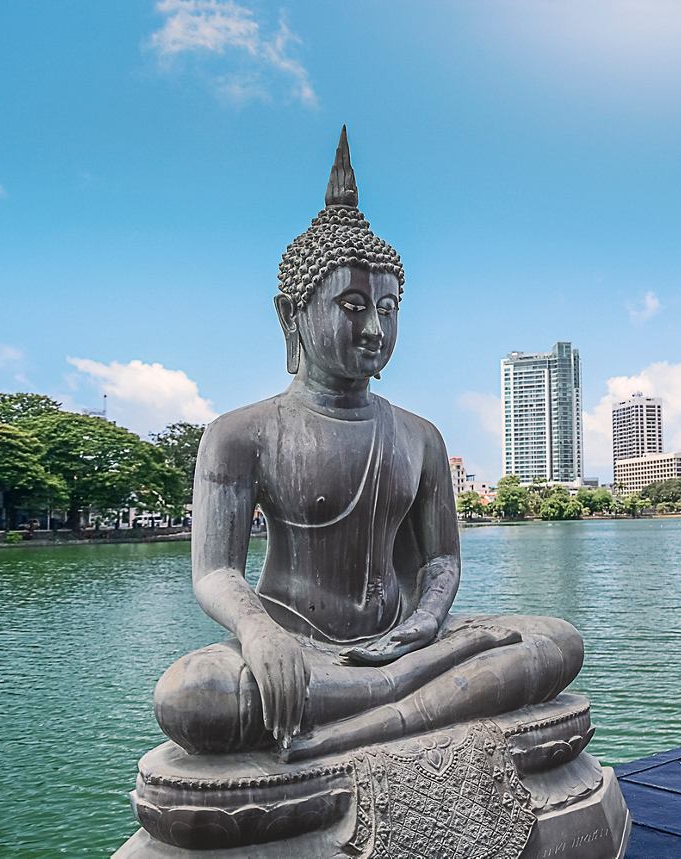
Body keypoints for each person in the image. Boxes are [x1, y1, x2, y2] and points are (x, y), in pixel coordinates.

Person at [154, 128, 583, 763]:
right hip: (295, 647)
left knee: (558, 642)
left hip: (406, 644)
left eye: (389, 307)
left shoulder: (419, 435)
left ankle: (376, 713)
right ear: (291, 315)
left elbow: (441, 563)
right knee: (193, 695)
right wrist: (258, 631)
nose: (375, 328)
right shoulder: (240, 433)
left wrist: (427, 622)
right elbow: (216, 571)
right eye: (353, 306)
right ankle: (410, 707)